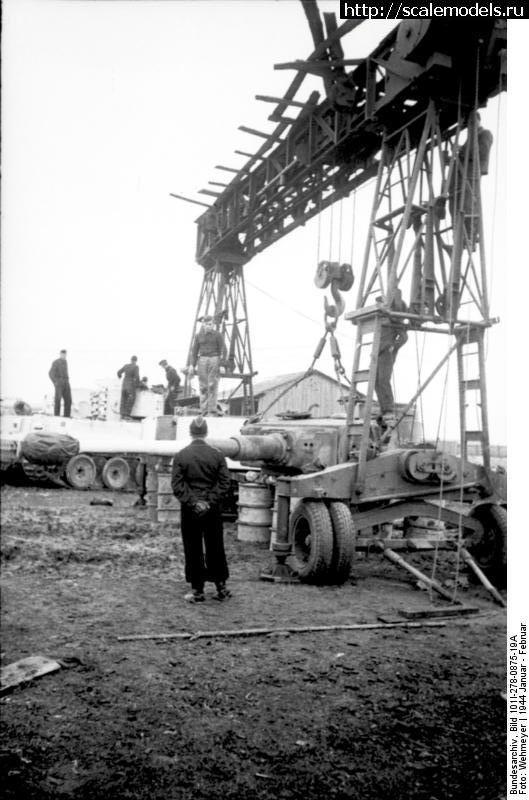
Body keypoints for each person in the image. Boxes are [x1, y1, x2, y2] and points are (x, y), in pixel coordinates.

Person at [171, 415, 232, 603]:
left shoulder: (181, 455)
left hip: (190, 510)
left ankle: (197, 590)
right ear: (206, 433)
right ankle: (221, 587)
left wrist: (194, 502)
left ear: (190, 433)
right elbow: (224, 482)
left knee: (193, 546)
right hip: (212, 509)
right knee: (215, 545)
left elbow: (177, 485)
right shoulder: (217, 455)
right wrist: (209, 501)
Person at [375, 289, 408, 429]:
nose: (378, 306)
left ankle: (388, 410)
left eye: (380, 303)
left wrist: (393, 347)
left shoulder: (394, 319)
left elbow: (404, 337)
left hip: (387, 353)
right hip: (377, 353)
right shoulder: (379, 320)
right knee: (376, 382)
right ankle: (384, 410)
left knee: (383, 380)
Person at [188, 316, 227, 416]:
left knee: (212, 384)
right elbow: (194, 351)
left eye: (210, 324)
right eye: (206, 324)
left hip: (214, 359)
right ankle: (204, 410)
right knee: (203, 385)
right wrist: (192, 365)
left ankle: (212, 410)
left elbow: (223, 350)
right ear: (203, 324)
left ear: (213, 324)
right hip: (202, 360)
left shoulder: (218, 335)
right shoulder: (198, 336)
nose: (208, 326)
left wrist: (222, 365)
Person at [48, 349, 72, 417]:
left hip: (66, 382)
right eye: (62, 354)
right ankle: (56, 416)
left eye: (65, 354)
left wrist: (66, 382)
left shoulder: (65, 362)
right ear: (60, 354)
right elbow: (50, 373)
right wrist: (56, 382)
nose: (64, 355)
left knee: (68, 400)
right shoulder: (56, 362)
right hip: (59, 383)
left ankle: (67, 416)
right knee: (58, 400)